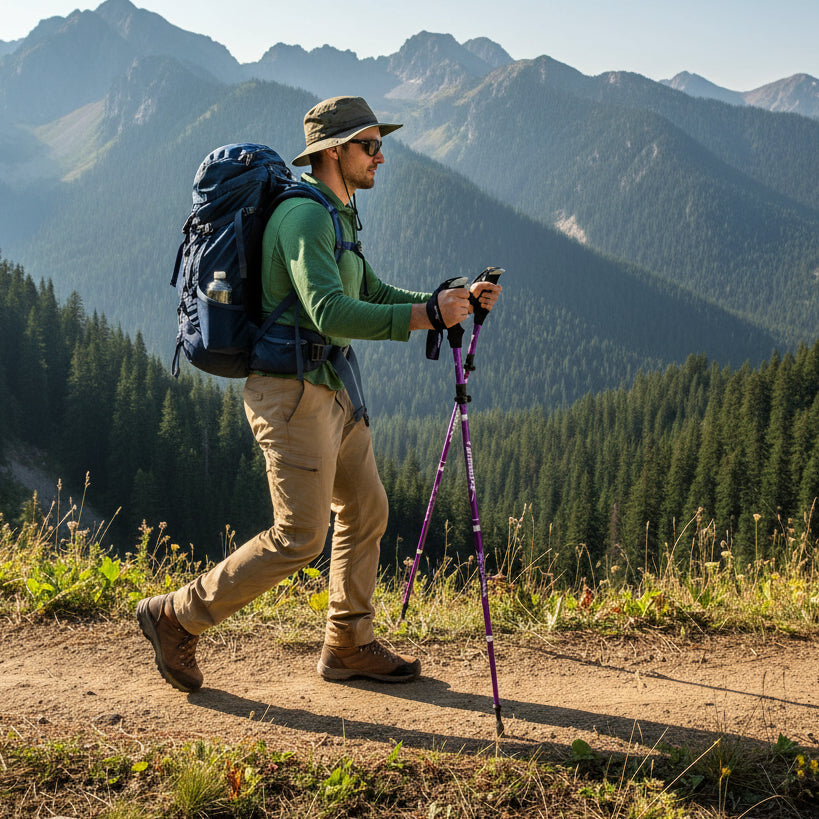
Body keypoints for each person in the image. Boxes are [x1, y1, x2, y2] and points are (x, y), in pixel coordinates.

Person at [136, 96, 501, 693]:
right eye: (370, 145)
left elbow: (370, 290)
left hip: (331, 388)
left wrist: (447, 303)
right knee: (299, 536)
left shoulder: (338, 212)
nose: (380, 156)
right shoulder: (304, 217)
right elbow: (329, 311)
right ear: (333, 151)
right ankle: (175, 616)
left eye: (380, 144)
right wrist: (423, 317)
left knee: (365, 507)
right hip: (290, 395)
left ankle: (348, 644)